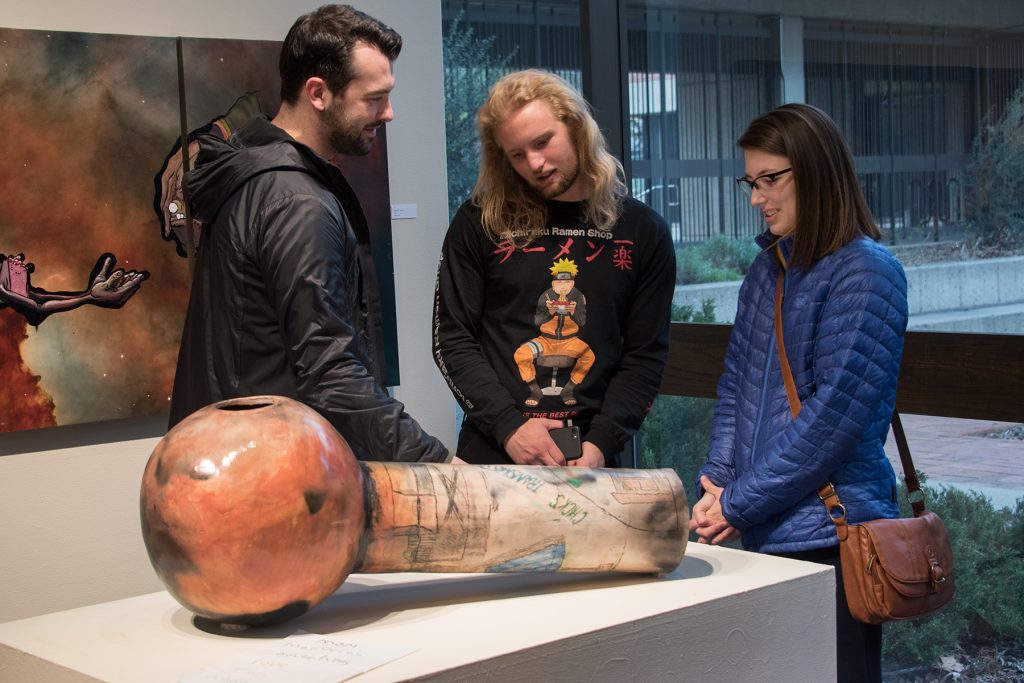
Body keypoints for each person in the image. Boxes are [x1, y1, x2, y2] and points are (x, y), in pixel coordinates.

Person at [169, 4, 450, 463]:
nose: (389, 113)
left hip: (237, 461)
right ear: (319, 93)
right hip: (274, 476)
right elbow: (331, 368)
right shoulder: (296, 200)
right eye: (375, 98)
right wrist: (434, 461)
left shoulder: (255, 172)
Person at [689, 103, 908, 682]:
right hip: (763, 531)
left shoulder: (868, 270)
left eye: (771, 179)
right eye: (751, 182)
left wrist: (737, 502)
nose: (757, 198)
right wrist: (717, 479)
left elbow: (832, 421)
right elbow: (735, 385)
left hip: (832, 534)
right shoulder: (769, 268)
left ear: (816, 172)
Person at [433, 69, 676, 468]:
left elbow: (644, 356)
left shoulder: (642, 231)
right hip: (496, 449)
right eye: (517, 154)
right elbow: (452, 339)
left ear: (577, 127)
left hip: (594, 457)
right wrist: (510, 428)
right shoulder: (480, 222)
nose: (535, 163)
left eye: (543, 142)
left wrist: (601, 443)